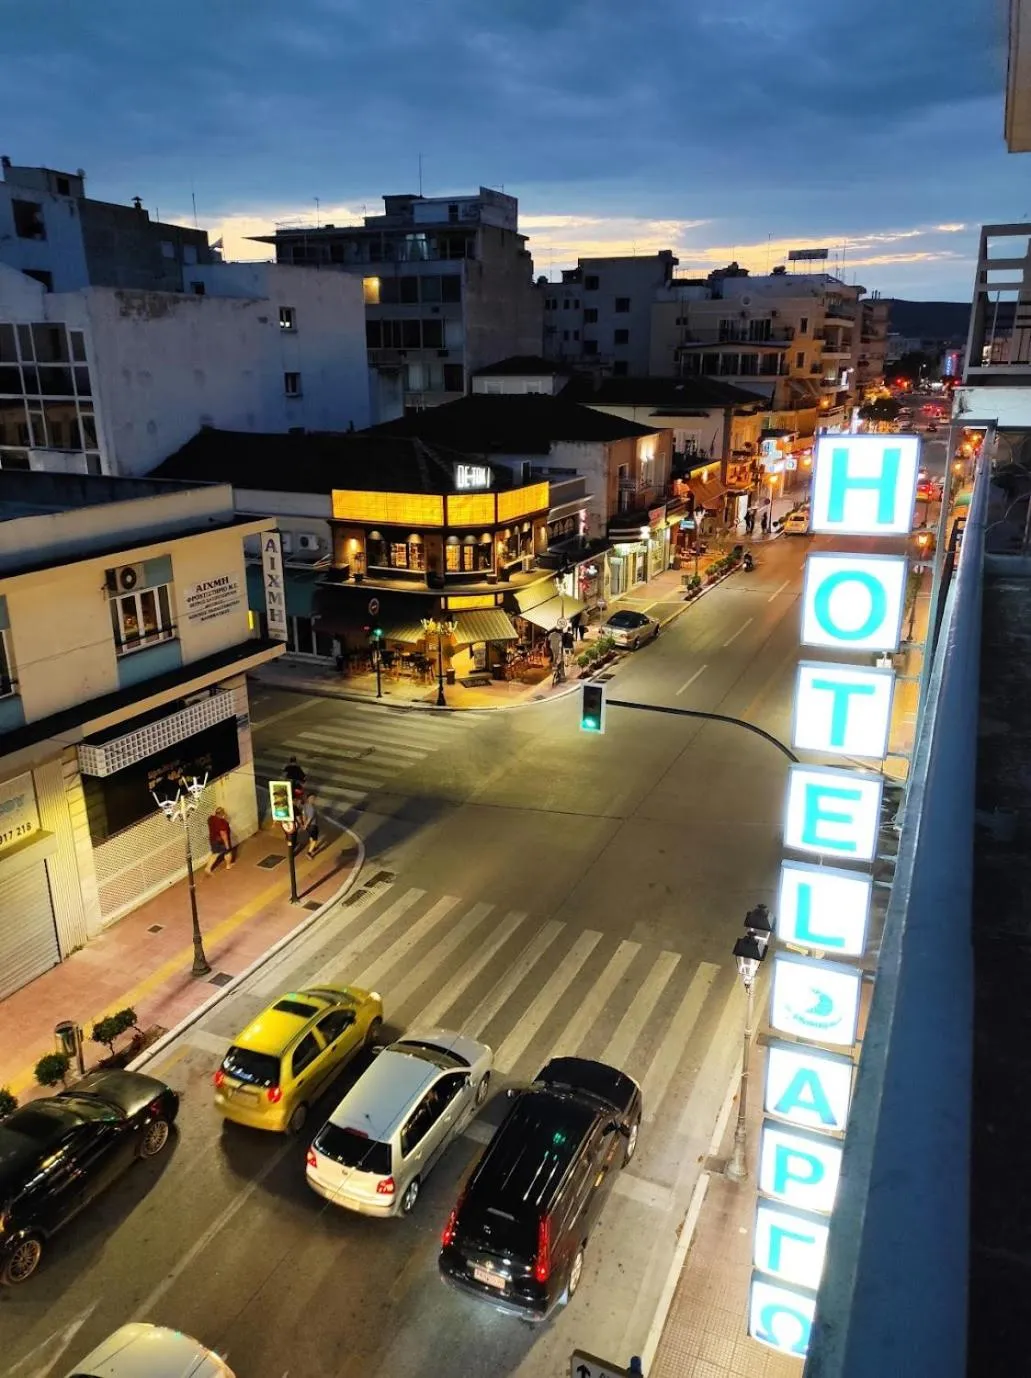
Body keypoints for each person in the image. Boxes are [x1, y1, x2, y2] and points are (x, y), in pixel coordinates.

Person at [206, 807, 234, 874]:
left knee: (215, 854)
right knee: (227, 852)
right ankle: (228, 865)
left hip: (213, 840)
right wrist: (227, 844)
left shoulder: (211, 819)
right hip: (220, 841)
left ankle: (208, 868)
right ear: (222, 814)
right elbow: (223, 833)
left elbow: (211, 817)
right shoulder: (222, 822)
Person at [302, 791, 321, 859]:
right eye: (312, 798)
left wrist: (304, 824)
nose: (313, 800)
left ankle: (312, 847)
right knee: (315, 839)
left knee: (311, 837)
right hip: (313, 825)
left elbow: (303, 815)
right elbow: (310, 818)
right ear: (309, 799)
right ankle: (309, 853)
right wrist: (306, 825)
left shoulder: (305, 806)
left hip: (308, 826)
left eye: (314, 798)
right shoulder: (311, 808)